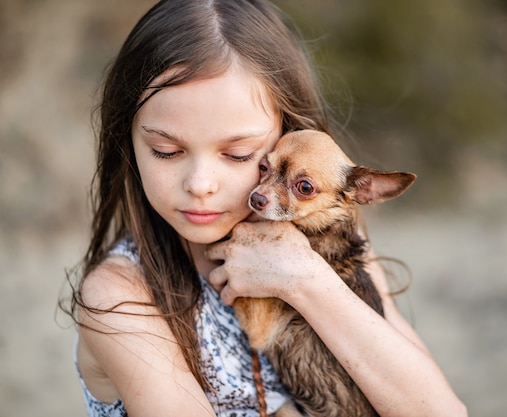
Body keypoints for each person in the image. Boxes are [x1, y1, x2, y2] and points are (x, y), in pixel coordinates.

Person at [64, 0, 467, 416]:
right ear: (127, 140)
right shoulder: (120, 298)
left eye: (240, 155)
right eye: (166, 151)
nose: (200, 185)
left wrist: (305, 280)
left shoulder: (330, 238)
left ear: (287, 135)